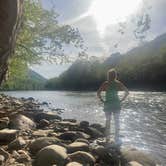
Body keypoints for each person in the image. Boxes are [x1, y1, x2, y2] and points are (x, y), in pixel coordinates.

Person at [97, 68, 129, 144]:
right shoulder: (118, 83)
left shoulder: (105, 83)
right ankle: (117, 139)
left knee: (108, 121)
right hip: (116, 104)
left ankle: (107, 138)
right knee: (117, 121)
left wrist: (102, 100)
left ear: (108, 75)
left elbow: (98, 93)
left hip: (108, 104)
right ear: (115, 76)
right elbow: (127, 92)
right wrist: (121, 100)